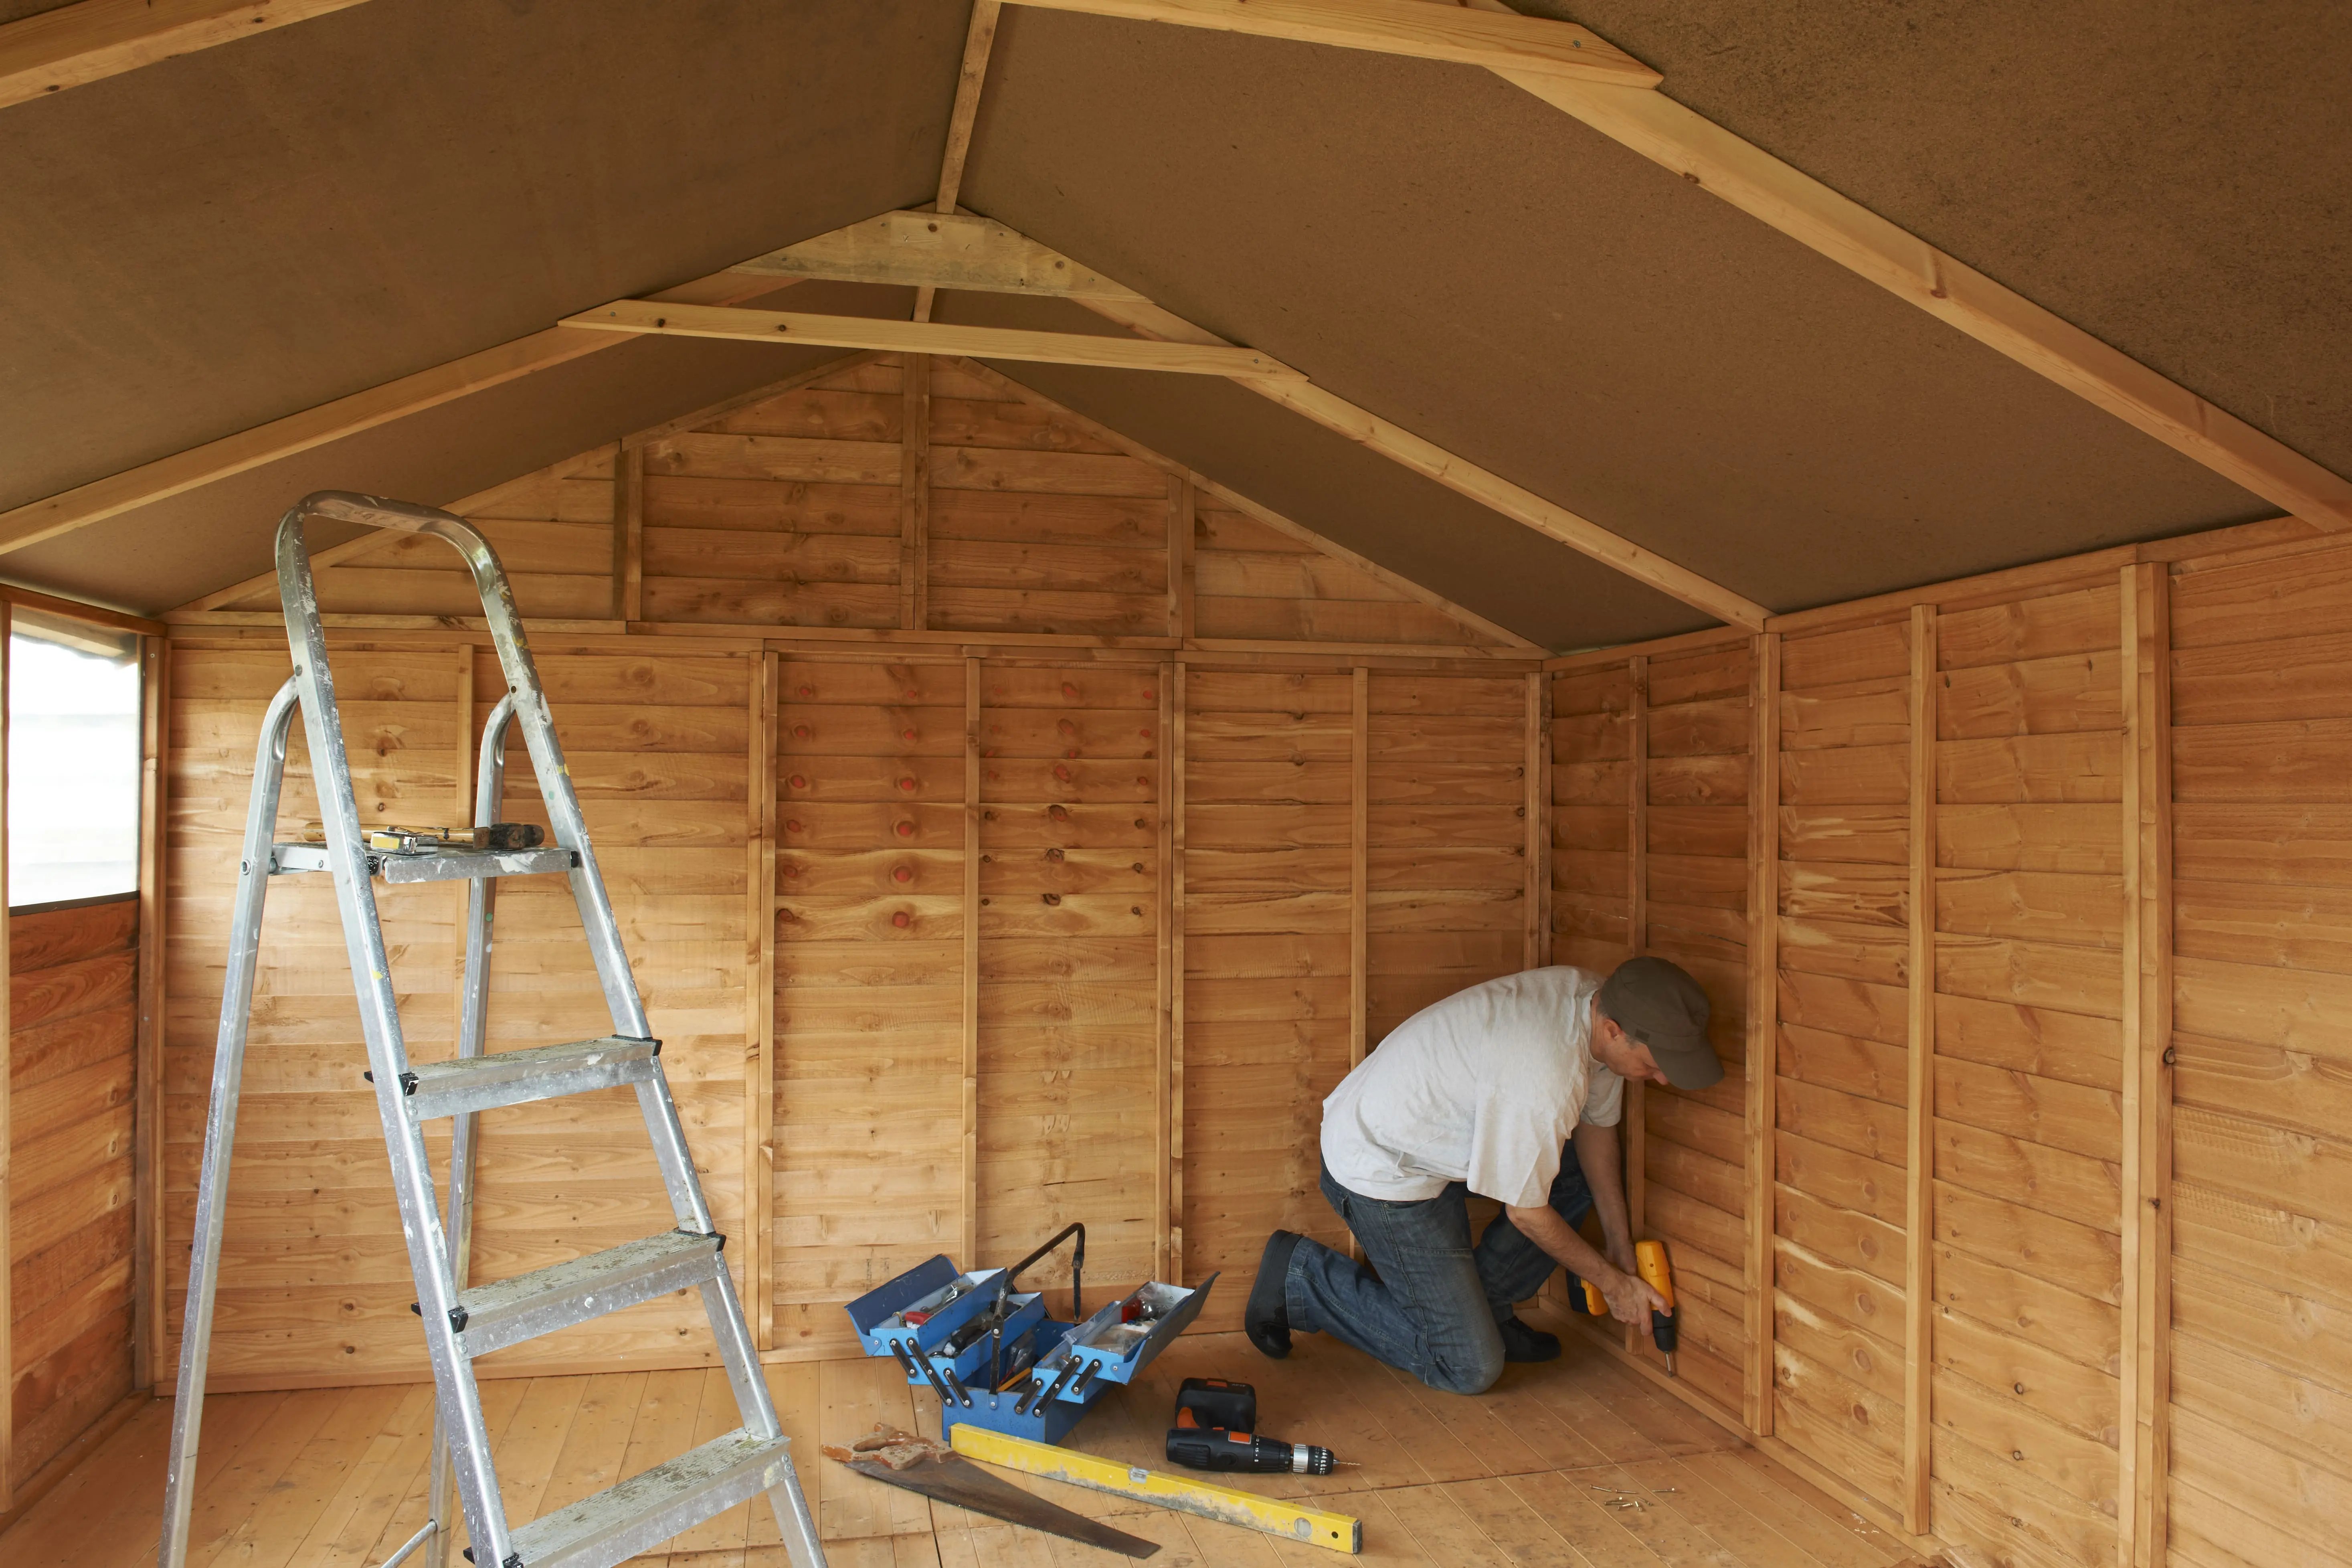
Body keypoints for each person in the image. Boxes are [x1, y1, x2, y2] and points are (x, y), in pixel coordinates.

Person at [1244, 957, 1722, 1396]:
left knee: (1572, 1170)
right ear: (1613, 1031)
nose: (1661, 1079)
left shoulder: (1600, 1001)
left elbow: (1596, 1128)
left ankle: (1486, 1312)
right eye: (1652, 1066)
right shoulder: (1544, 1075)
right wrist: (1614, 1286)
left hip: (1427, 1137)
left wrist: (1618, 1243)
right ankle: (1300, 1277)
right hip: (1382, 1167)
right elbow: (1527, 1213)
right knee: (1467, 1365)